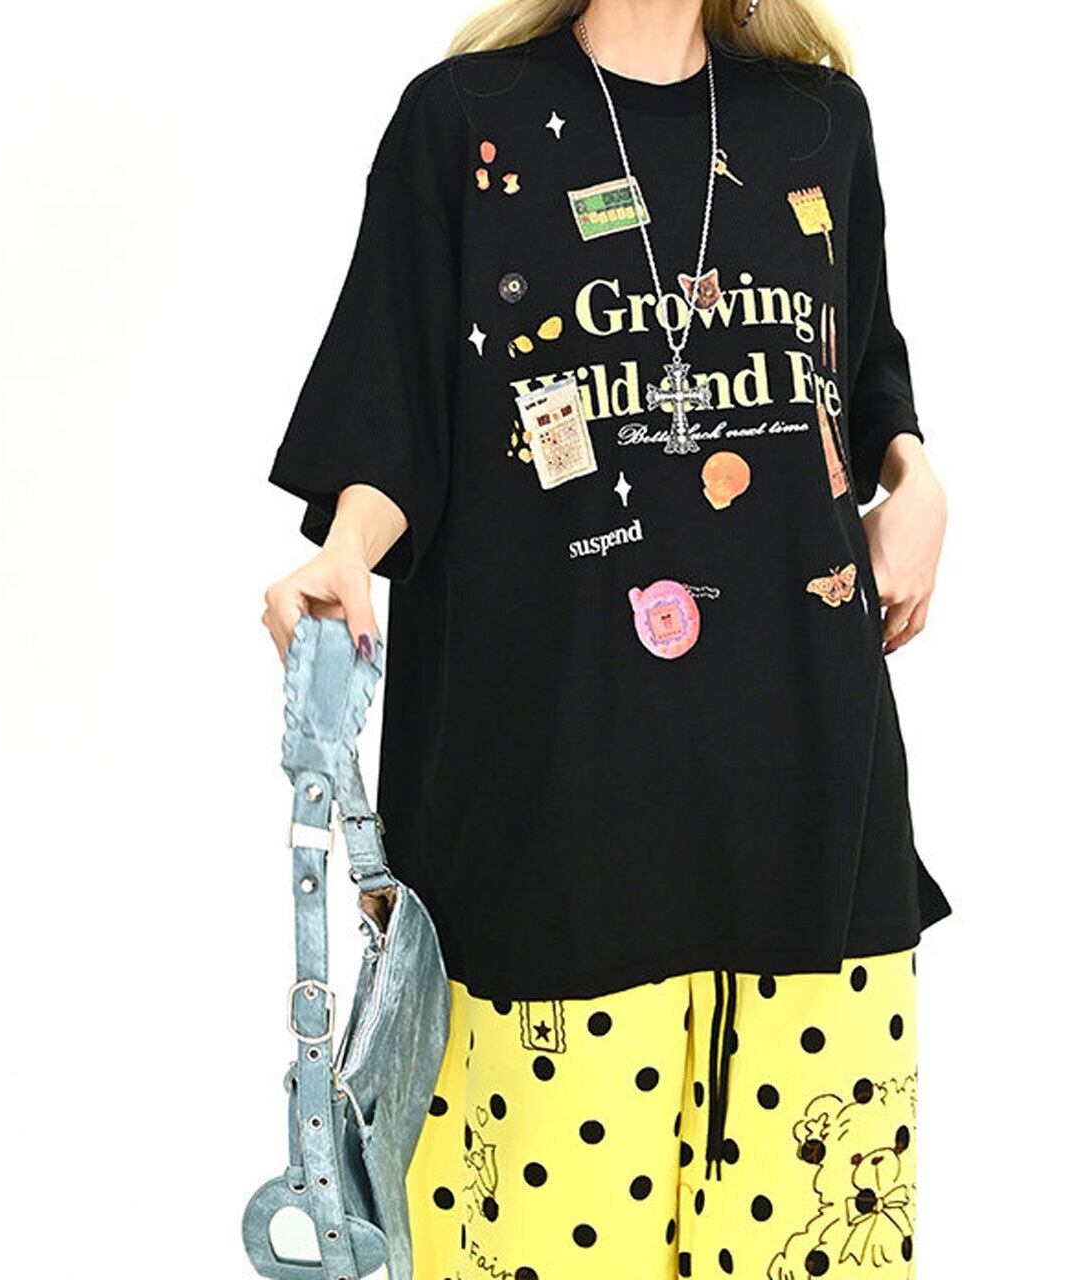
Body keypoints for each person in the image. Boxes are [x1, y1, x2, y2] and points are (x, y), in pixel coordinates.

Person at [263, 1, 952, 1274]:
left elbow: (861, 373)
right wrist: (345, 551)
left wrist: (915, 481)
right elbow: (392, 413)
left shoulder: (815, 123)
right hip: (551, 820)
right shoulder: (463, 121)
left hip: (805, 799)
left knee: (816, 1240)